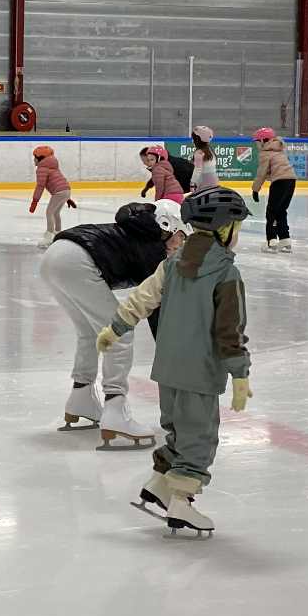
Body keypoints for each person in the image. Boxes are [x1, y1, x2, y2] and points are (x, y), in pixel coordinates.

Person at [96, 189, 252, 538]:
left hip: (167, 370)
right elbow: (230, 330)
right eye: (237, 227)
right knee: (199, 437)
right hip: (200, 372)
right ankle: (181, 500)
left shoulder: (171, 263)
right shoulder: (226, 275)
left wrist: (115, 328)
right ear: (224, 229)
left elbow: (142, 298)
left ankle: (159, 483)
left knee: (178, 429)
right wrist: (240, 374)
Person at [39, 197, 175, 447]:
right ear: (167, 228)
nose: (180, 244)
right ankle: (115, 410)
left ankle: (82, 397)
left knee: (89, 332)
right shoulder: (154, 247)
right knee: (120, 332)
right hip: (76, 261)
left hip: (53, 258)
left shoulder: (137, 230)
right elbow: (156, 306)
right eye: (179, 236)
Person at [250, 126, 297, 252]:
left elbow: (262, 173)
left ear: (263, 141)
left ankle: (271, 241)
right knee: (281, 210)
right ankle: (285, 240)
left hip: (280, 182)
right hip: (291, 181)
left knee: (271, 211)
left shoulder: (265, 153)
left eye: (257, 142)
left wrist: (255, 189)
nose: (256, 146)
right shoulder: (279, 150)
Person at [28, 144, 72, 247]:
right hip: (66, 190)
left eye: (35, 157)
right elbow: (61, 182)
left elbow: (40, 186)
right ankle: (58, 233)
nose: (34, 160)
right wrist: (68, 198)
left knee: (49, 212)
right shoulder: (53, 166)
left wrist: (35, 201)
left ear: (40, 159)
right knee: (56, 213)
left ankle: (48, 237)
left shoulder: (42, 168)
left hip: (59, 192)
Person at [186, 126, 220, 192]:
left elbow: (198, 170)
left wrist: (192, 183)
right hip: (214, 180)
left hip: (204, 182)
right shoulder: (210, 150)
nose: (192, 141)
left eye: (194, 138)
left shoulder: (199, 153)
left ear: (198, 140)